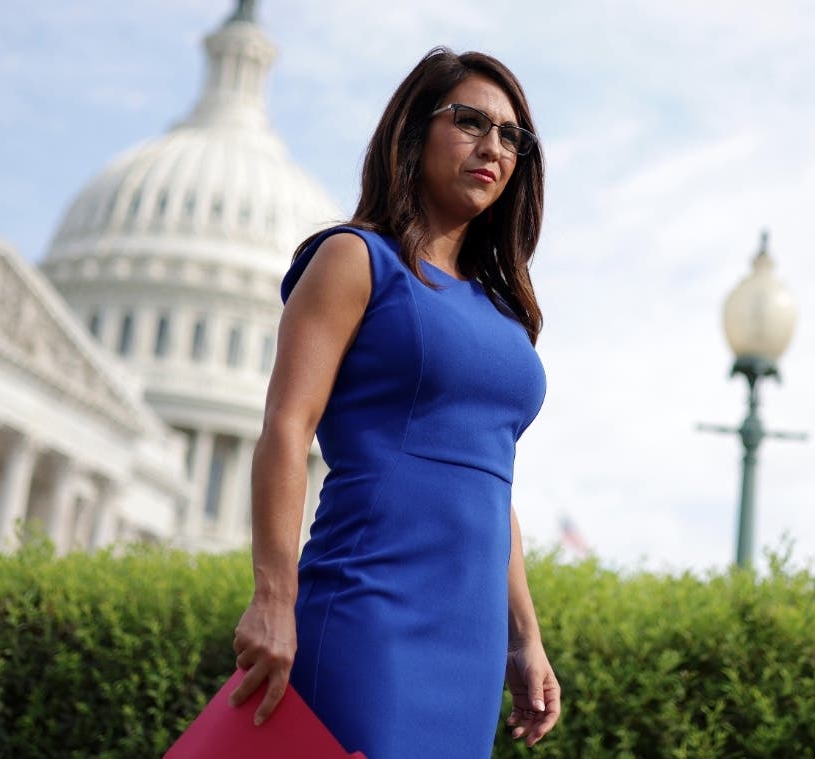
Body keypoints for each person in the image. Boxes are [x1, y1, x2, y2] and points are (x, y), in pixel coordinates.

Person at [229, 46, 561, 758]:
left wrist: (524, 638)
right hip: (368, 612)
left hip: (469, 646)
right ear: (413, 133)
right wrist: (272, 596)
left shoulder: (504, 314)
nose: (492, 147)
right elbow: (288, 427)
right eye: (470, 121)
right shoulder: (355, 258)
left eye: (511, 136)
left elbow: (489, 481)